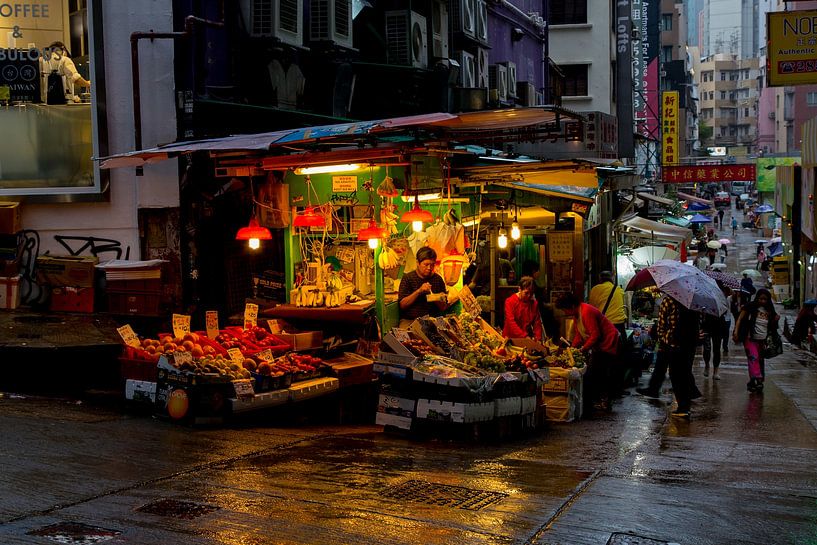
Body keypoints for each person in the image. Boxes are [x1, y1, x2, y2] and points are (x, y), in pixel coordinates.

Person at [637, 295, 700, 418]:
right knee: (685, 373)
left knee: (676, 375)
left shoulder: (668, 301)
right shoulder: (692, 301)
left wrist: (661, 341)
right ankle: (685, 404)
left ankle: (683, 408)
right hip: (689, 343)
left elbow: (661, 326)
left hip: (672, 343)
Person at [555, 293, 620, 412]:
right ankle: (597, 400)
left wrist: (583, 348)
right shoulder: (577, 315)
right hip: (599, 345)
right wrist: (572, 349)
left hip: (608, 342)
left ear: (571, 306)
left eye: (565, 309)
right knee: (596, 370)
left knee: (601, 372)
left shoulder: (586, 311)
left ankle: (604, 402)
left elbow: (595, 335)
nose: (565, 312)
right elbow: (579, 335)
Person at [733, 288, 780, 393]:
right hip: (750, 338)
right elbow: (740, 319)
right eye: (761, 299)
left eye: (765, 299)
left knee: (759, 360)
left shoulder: (770, 311)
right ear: (757, 298)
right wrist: (736, 332)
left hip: (762, 340)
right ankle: (758, 379)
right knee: (753, 358)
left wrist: (775, 320)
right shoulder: (750, 307)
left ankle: (753, 381)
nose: (762, 301)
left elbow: (772, 327)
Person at [398, 247, 448, 328]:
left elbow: (443, 307)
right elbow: (402, 305)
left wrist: (437, 297)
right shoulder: (408, 278)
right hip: (411, 320)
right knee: (408, 333)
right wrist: (419, 291)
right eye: (426, 264)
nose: (429, 268)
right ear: (418, 263)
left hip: (434, 319)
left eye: (432, 265)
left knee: (447, 331)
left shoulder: (438, 279)